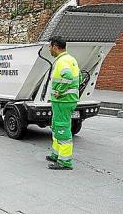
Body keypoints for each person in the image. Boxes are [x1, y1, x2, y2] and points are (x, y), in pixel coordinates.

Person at [47, 36, 80, 170]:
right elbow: (79, 76)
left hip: (63, 100)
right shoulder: (71, 59)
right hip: (66, 100)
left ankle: (65, 162)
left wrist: (59, 91)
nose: (49, 49)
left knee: (62, 128)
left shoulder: (62, 61)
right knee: (56, 126)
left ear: (55, 47)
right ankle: (56, 154)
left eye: (50, 47)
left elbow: (68, 76)